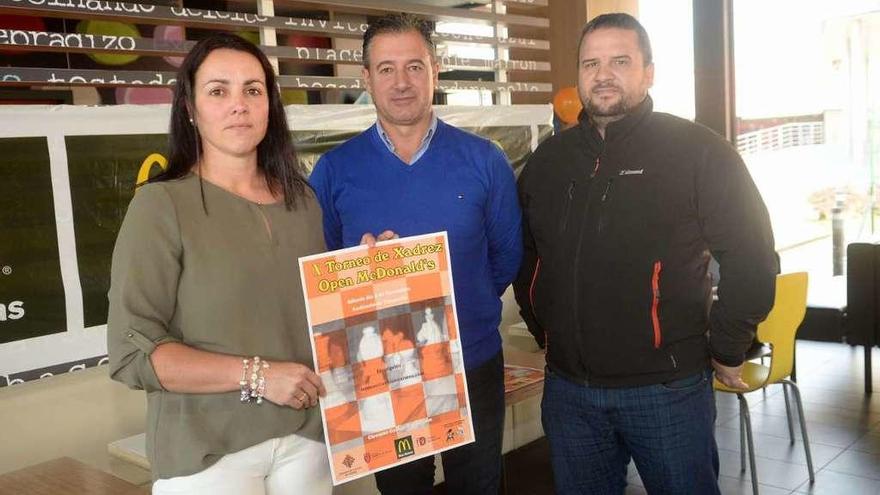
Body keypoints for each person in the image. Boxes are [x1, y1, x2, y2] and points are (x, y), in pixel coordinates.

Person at [513, 13, 778, 495]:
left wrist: (728, 345)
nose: (603, 74)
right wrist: (548, 333)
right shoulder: (548, 163)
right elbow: (528, 259)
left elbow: (752, 254)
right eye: (591, 63)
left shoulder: (698, 151)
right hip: (570, 393)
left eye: (620, 60)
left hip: (667, 390)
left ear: (649, 71)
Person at [106, 33, 331, 495]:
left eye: (253, 89)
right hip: (209, 453)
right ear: (190, 108)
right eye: (218, 90)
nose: (239, 105)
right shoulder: (161, 206)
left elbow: (317, 312)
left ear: (270, 104)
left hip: (308, 438)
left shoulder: (303, 200)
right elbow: (133, 353)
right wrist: (259, 375)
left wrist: (375, 268)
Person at [308, 13, 522, 495]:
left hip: (473, 363)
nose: (401, 82)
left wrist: (463, 308)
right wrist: (357, 274)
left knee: (479, 485)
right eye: (385, 69)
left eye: (414, 67)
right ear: (366, 78)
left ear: (435, 71)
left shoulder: (484, 160)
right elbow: (321, 264)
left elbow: (506, 257)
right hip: (385, 371)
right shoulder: (334, 171)